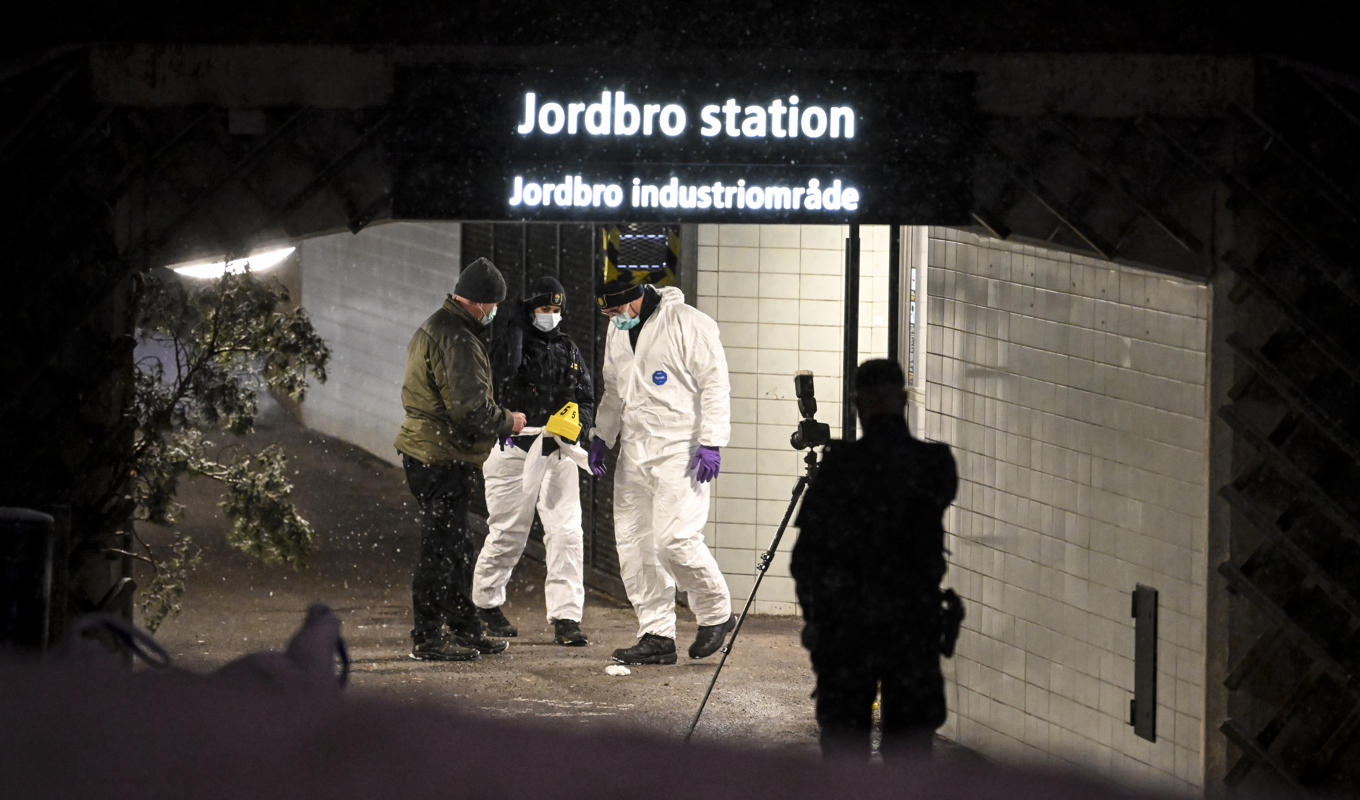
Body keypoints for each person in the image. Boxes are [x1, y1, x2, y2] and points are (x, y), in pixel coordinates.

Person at [790, 358, 958, 760]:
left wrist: (816, 617)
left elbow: (805, 559)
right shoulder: (934, 464)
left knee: (845, 751)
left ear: (856, 405)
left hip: (847, 626)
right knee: (910, 751)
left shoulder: (839, 468)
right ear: (903, 400)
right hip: (911, 624)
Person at [588, 279, 734, 666]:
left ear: (636, 299)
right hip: (635, 451)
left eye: (616, 310)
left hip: (680, 450)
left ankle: (716, 611)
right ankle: (656, 634)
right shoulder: (618, 331)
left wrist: (712, 440)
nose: (613, 319)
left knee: (674, 540)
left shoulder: (690, 323)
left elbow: (715, 384)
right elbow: (613, 387)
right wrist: (602, 434)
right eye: (607, 314)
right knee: (636, 545)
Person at [394, 257, 526, 662]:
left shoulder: (435, 326)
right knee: (441, 548)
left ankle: (465, 627)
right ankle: (429, 636)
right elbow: (470, 410)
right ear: (482, 303)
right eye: (495, 305)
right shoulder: (459, 340)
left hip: (428, 452)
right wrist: (509, 421)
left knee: (456, 546)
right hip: (442, 456)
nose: (495, 312)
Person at [472, 276, 595, 647]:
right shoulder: (509, 345)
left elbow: (586, 397)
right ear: (529, 310)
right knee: (509, 532)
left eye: (556, 310)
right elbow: (496, 381)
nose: (551, 316)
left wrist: (579, 424)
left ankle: (566, 617)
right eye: (544, 309)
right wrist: (513, 332)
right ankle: (485, 603)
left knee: (567, 534)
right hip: (514, 445)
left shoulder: (569, 349)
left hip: (557, 448)